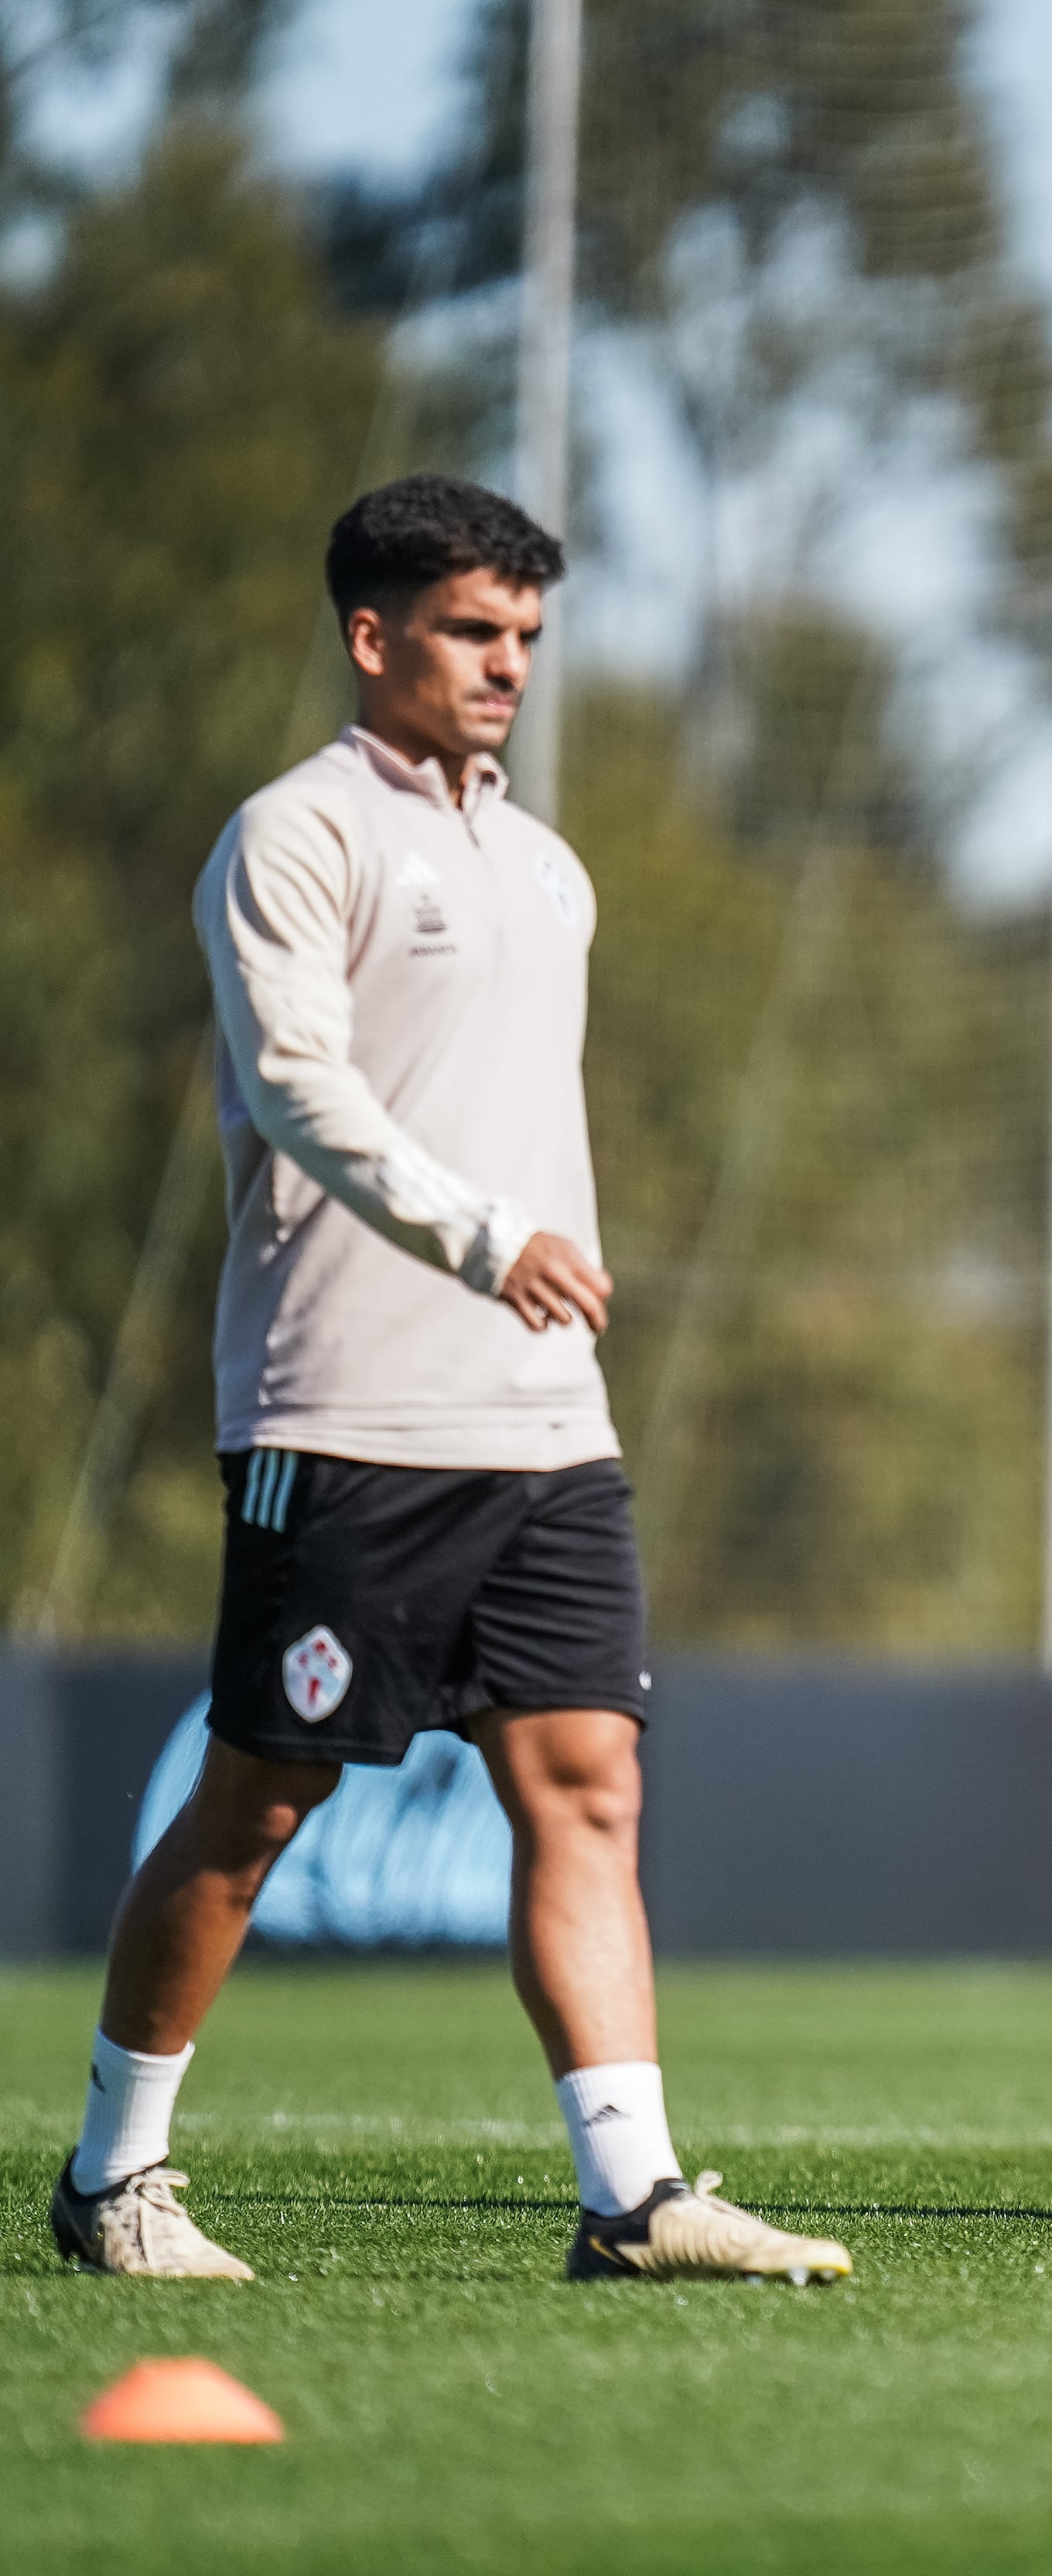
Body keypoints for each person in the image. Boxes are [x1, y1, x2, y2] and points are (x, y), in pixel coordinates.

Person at [49, 477, 846, 2288]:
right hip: (346, 1415)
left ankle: (633, 2199)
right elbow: (304, 1090)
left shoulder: (543, 867)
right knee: (260, 1799)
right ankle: (114, 2179)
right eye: (476, 633)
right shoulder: (296, 837)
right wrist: (490, 1240)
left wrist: (533, 1275)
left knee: (589, 1785)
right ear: (371, 635)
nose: (508, 669)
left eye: (529, 640)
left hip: (548, 1427)